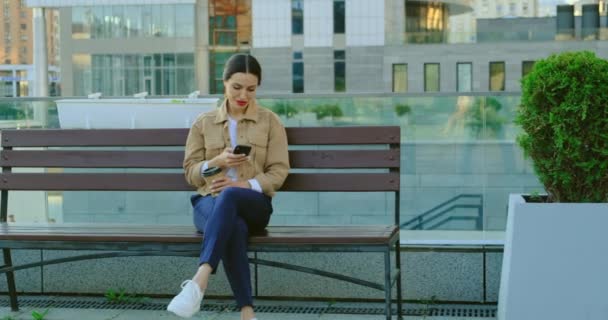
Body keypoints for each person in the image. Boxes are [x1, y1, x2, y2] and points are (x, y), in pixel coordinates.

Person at [167, 54, 290, 319]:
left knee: (233, 194)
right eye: (237, 87)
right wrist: (216, 162)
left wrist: (244, 183)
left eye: (251, 88)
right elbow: (191, 172)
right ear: (223, 83)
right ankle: (247, 312)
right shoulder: (204, 122)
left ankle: (200, 279)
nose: (243, 94)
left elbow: (279, 171)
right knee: (233, 225)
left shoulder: (270, 122)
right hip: (209, 203)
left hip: (253, 204)